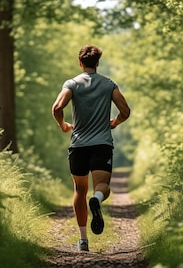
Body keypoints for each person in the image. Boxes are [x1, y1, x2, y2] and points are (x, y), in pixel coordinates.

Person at [51, 45, 131, 252]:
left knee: (79, 190)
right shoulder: (108, 84)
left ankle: (83, 239)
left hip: (78, 145)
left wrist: (63, 125)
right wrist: (116, 122)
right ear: (97, 63)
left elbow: (57, 108)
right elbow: (125, 110)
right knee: (102, 186)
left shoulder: (72, 84)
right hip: (102, 144)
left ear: (80, 63)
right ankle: (96, 200)